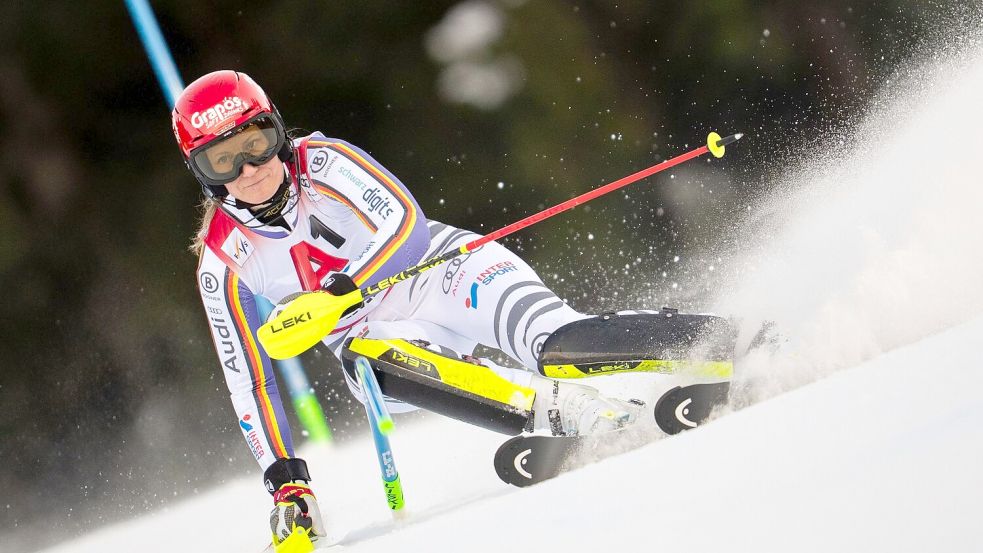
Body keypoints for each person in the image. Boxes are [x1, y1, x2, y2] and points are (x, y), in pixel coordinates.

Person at [173, 70, 663, 544]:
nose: (249, 170)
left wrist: (340, 293)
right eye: (224, 161)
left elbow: (408, 225)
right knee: (370, 363)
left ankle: (699, 341)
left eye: (255, 145)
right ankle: (569, 411)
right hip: (374, 342)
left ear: (276, 133)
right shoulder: (221, 262)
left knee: (560, 345)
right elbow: (250, 382)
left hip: (441, 271)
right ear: (204, 174)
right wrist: (287, 483)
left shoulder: (323, 162)